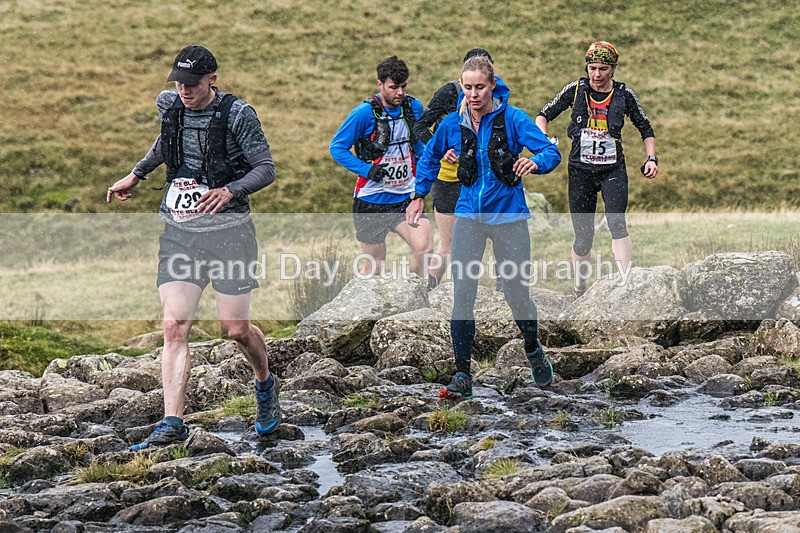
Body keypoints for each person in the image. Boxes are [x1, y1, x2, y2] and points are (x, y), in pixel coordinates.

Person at [107, 45, 281, 450]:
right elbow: (164, 144)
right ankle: (173, 423)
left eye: (192, 83)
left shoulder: (238, 115)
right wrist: (136, 175)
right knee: (174, 326)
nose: (184, 90)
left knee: (235, 329)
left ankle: (265, 383)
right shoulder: (171, 107)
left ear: (212, 80)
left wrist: (230, 190)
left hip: (230, 233)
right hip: (180, 232)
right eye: (179, 82)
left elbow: (266, 168)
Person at [406, 55, 562, 399]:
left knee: (516, 292)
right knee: (463, 293)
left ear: (492, 85)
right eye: (467, 87)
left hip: (509, 218)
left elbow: (551, 153)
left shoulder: (513, 118)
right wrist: (419, 195)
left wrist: (535, 162)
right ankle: (462, 375)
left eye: (479, 87)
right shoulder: (453, 122)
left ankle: (533, 349)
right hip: (468, 218)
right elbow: (430, 157)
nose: (473, 94)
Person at [535, 41, 658, 299]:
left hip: (612, 169)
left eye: (603, 69)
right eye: (592, 68)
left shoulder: (624, 94)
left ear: (613, 69)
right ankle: (579, 289)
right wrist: (543, 139)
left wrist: (651, 158)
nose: (597, 75)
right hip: (580, 171)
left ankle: (627, 284)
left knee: (617, 222)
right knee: (583, 235)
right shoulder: (576, 89)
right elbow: (543, 115)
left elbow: (645, 127)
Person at [330, 56, 433, 279]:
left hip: (406, 196)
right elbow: (337, 148)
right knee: (374, 268)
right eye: (394, 87)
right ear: (380, 84)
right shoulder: (363, 113)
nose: (400, 93)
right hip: (371, 200)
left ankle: (408, 297)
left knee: (425, 250)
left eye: (404, 86)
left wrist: (425, 171)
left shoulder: (413, 107)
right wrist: (367, 170)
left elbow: (419, 143)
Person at [413, 48, 497, 290]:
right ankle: (428, 290)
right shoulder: (449, 93)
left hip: (482, 179)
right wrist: (440, 149)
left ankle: (500, 294)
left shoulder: (497, 95)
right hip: (449, 179)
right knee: (448, 247)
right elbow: (420, 126)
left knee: (494, 240)